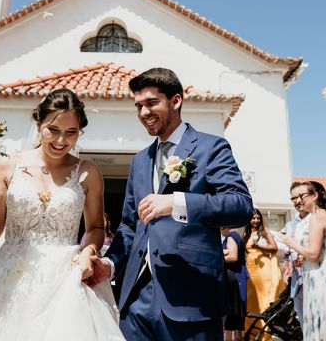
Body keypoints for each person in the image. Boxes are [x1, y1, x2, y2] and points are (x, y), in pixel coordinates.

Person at [89, 67, 253, 341]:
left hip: (192, 296)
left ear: (175, 100)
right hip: (136, 298)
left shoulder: (211, 147)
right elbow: (130, 226)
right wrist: (110, 264)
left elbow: (240, 205)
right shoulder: (140, 160)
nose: (143, 113)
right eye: (138, 106)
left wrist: (177, 202)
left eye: (151, 103)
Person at [0, 88, 124, 340]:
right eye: (53, 130)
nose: (61, 140)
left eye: (71, 133)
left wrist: (88, 252)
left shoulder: (88, 172)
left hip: (64, 279)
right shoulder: (8, 164)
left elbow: (95, 227)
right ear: (38, 123)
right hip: (11, 278)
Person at [278, 181, 326, 341]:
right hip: (325, 273)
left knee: (322, 330)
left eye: (302, 195)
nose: (299, 200)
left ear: (315, 196)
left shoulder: (317, 217)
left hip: (321, 277)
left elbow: (315, 254)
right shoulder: (325, 216)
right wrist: (304, 256)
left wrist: (291, 242)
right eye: (295, 197)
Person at [243, 208, 284, 332]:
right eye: (253, 218)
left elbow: (274, 248)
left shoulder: (264, 231)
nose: (255, 220)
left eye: (258, 218)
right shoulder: (246, 232)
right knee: (252, 297)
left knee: (263, 297)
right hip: (251, 268)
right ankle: (251, 329)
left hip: (263, 268)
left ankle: (265, 330)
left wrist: (259, 246)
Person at [284, 184, 310, 324]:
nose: (297, 201)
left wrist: (303, 255)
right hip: (297, 279)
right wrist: (287, 253)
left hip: (313, 276)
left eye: (300, 197)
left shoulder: (315, 219)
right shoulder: (290, 225)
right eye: (293, 198)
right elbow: (287, 252)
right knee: (303, 322)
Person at [222, 228, 245, 341]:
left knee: (232, 313)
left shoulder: (231, 236)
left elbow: (233, 257)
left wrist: (216, 258)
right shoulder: (232, 236)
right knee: (236, 312)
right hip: (237, 275)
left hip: (234, 276)